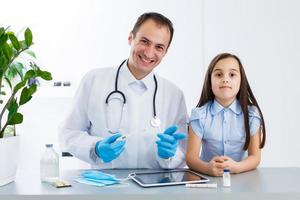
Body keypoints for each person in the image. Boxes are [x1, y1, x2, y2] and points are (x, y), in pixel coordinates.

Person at [59, 12, 188, 169]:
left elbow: (183, 150)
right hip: (104, 187)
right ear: (130, 38)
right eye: (144, 41)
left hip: (155, 187)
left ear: (165, 52)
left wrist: (169, 155)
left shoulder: (174, 95)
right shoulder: (94, 80)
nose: (149, 53)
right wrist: (96, 148)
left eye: (159, 47)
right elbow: (69, 133)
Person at [186, 53, 266, 176]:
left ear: (241, 81)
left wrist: (237, 167)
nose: (225, 79)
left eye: (232, 74)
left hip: (242, 179)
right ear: (209, 80)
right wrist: (207, 168)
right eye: (218, 74)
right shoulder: (199, 115)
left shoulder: (251, 115)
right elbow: (191, 158)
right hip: (208, 180)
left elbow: (255, 157)